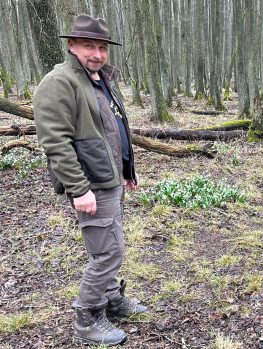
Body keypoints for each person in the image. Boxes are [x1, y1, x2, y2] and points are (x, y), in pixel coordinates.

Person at [33, 14, 147, 346]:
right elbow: (56, 142)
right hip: (90, 185)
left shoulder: (98, 79)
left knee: (110, 244)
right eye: (88, 46)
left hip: (108, 179)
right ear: (72, 46)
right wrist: (79, 188)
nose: (96, 53)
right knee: (107, 252)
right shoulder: (60, 82)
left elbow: (112, 131)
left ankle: (111, 299)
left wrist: (127, 172)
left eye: (101, 47)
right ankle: (87, 317)